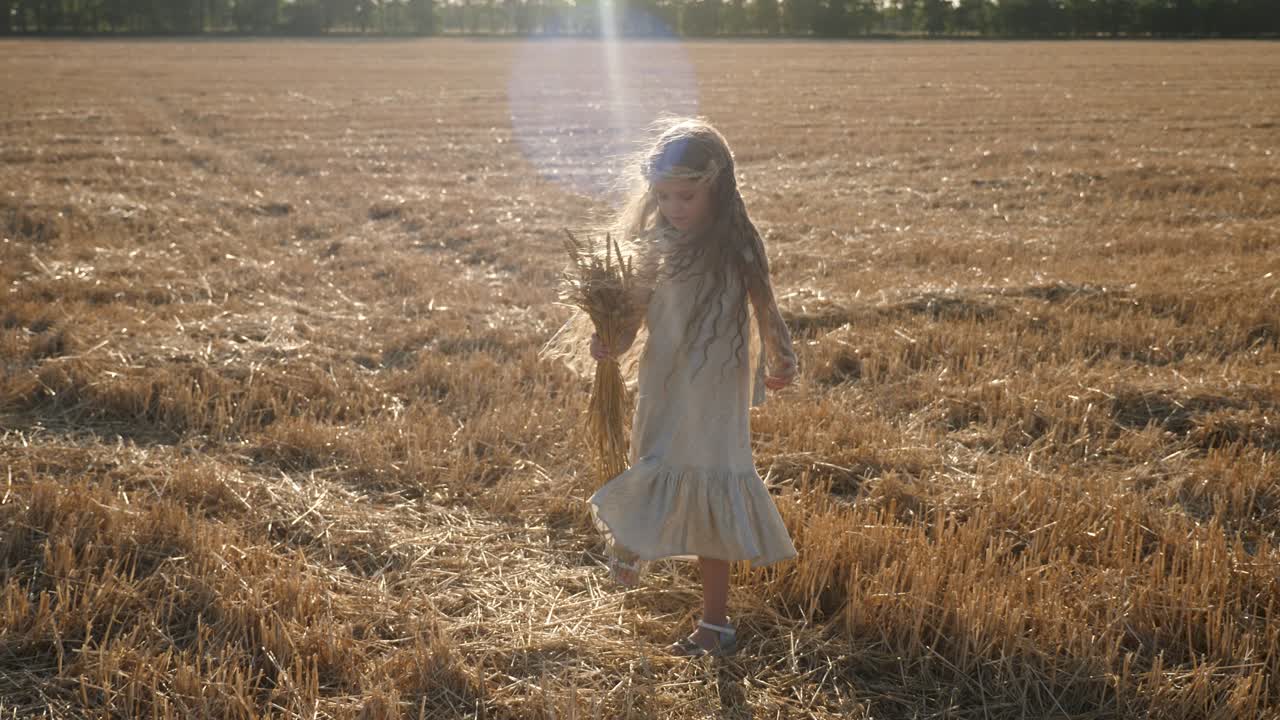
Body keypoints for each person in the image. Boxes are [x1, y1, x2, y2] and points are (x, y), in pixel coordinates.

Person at [545, 117, 799, 658]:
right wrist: (611, 340)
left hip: (716, 386)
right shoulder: (657, 240)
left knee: (712, 481)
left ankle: (715, 624)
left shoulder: (737, 243)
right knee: (653, 458)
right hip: (664, 378)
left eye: (687, 196)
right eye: (664, 196)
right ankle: (635, 537)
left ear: (718, 188)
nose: (675, 207)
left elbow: (764, 303)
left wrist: (782, 355)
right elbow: (636, 309)